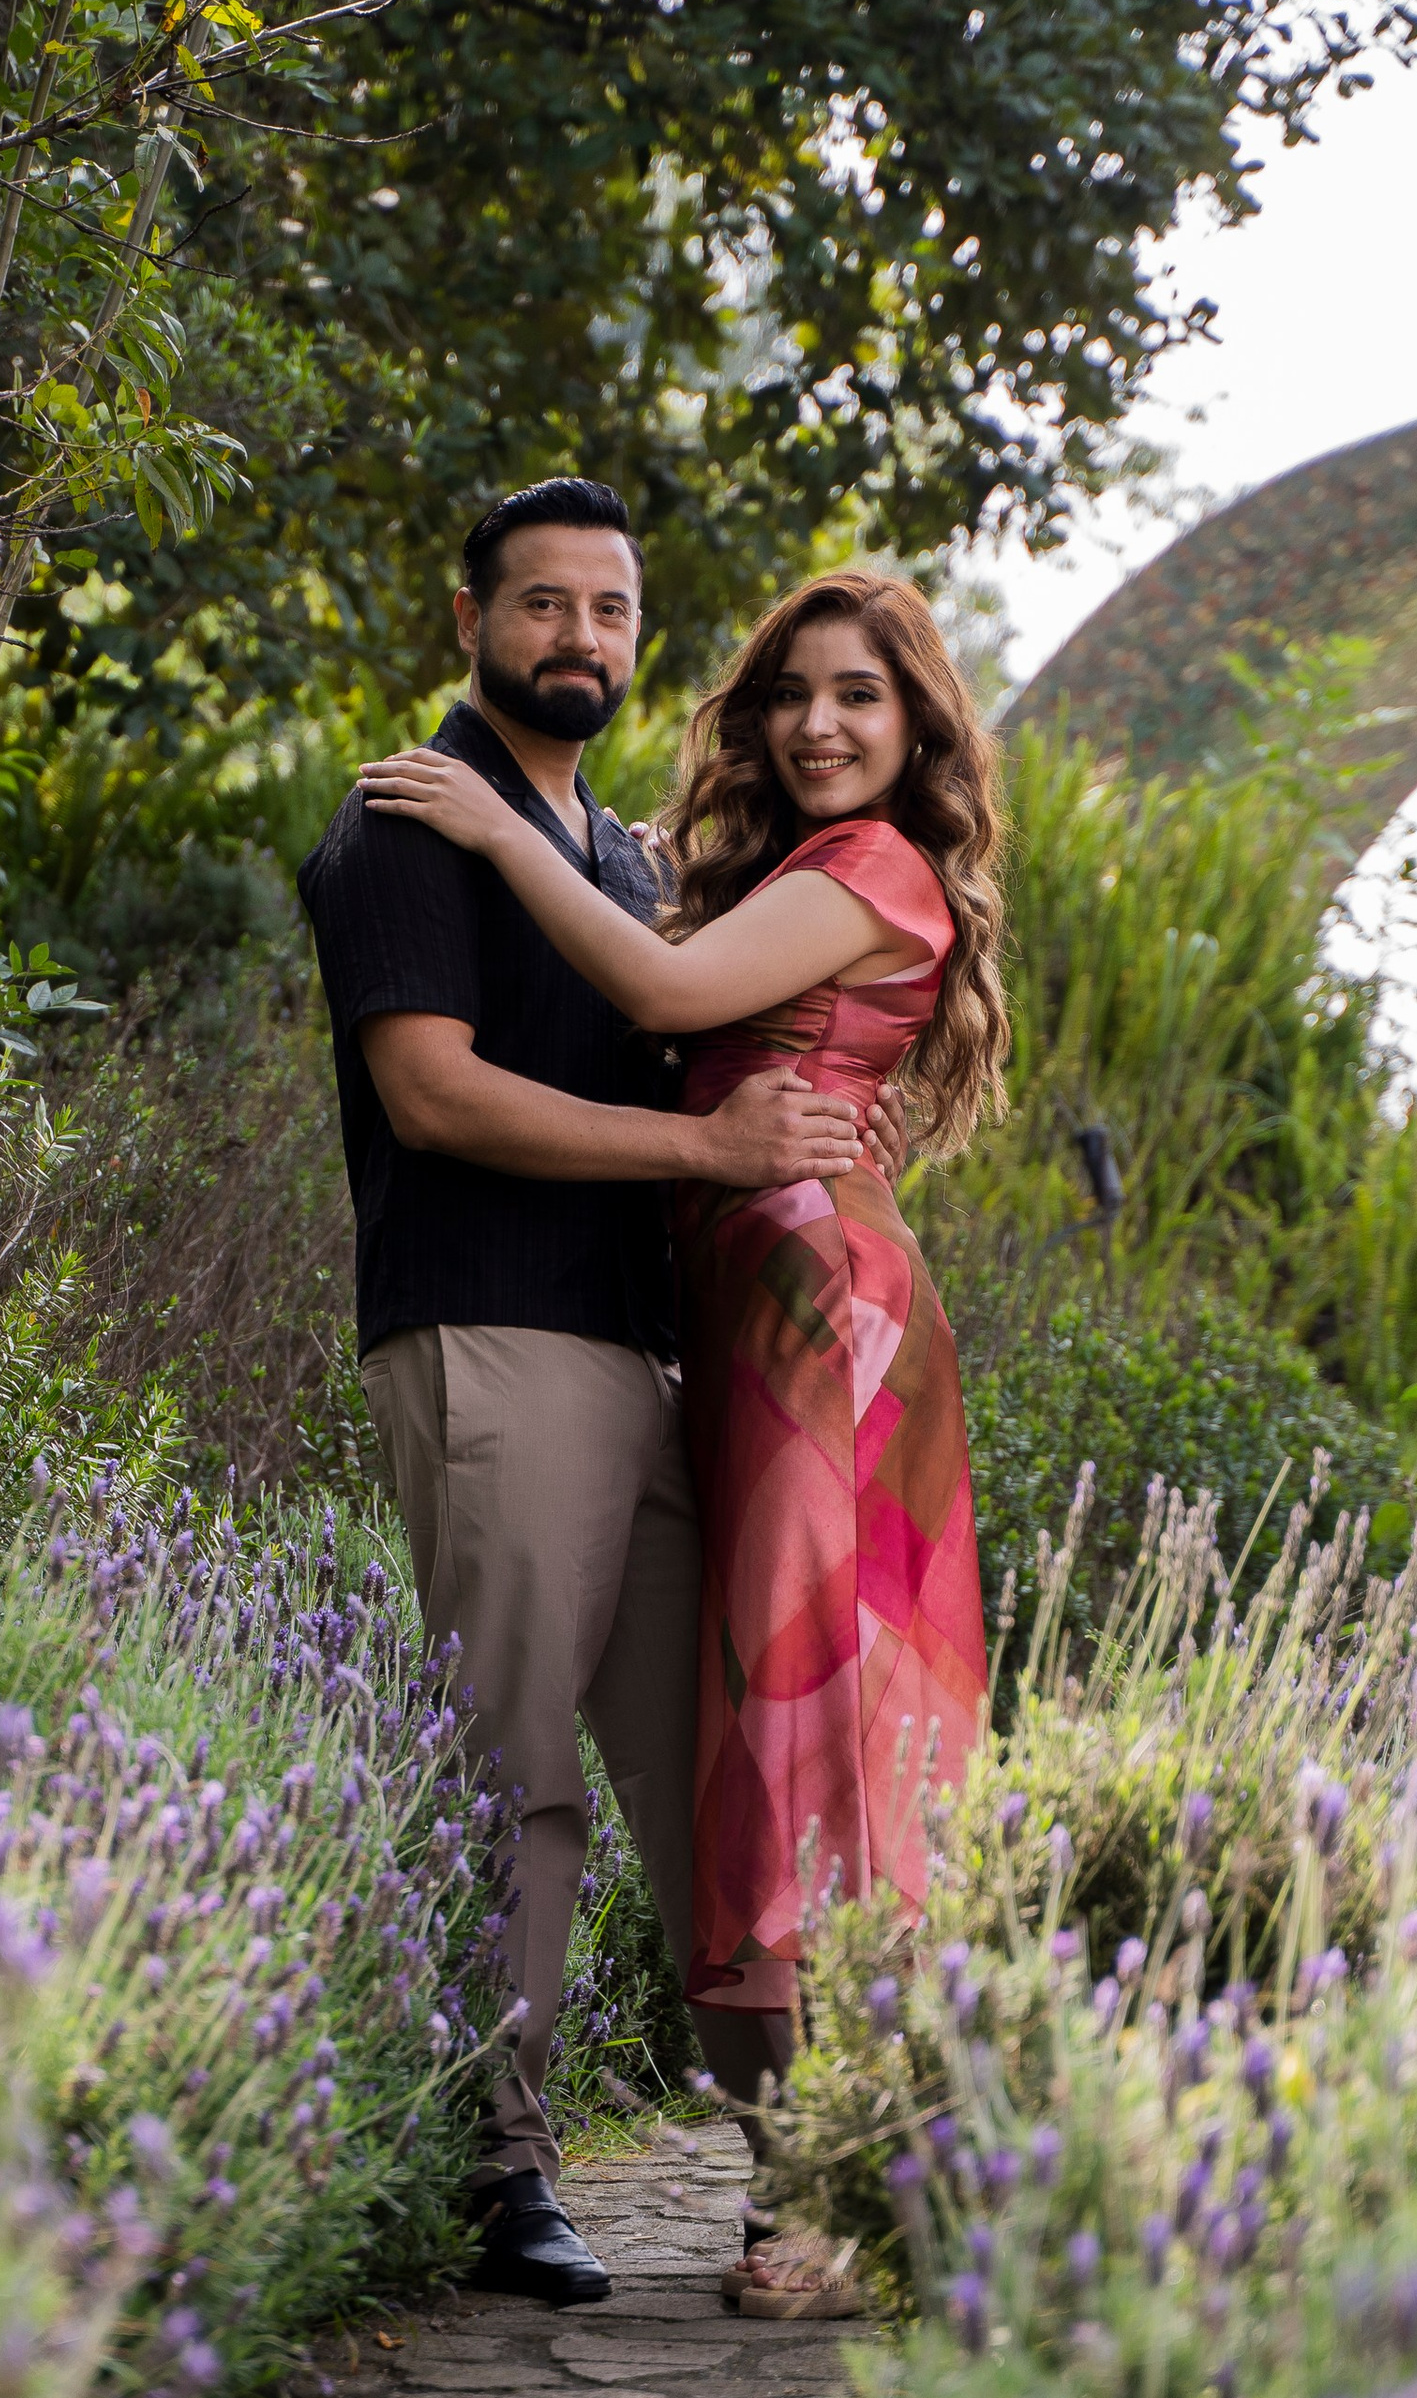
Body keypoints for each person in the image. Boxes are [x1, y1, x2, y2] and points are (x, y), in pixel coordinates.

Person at [357, 564, 1007, 2310]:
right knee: (765, 1731)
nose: (816, 723)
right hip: (732, 1320)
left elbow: (656, 994)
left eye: (860, 696)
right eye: (791, 692)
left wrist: (500, 834)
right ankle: (838, 2166)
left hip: (814, 1314)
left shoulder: (870, 868)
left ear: (918, 720)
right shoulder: (778, 866)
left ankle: (856, 2193)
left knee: (825, 1736)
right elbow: (656, 964)